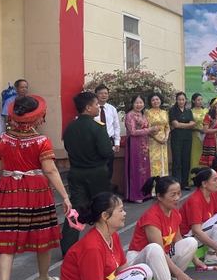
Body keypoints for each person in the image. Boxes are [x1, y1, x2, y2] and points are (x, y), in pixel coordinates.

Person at [0, 95, 70, 280]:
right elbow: (50, 170)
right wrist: (65, 196)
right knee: (42, 234)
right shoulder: (41, 141)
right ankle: (43, 277)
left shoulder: (3, 139)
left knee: (7, 244)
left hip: (7, 188)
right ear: (36, 118)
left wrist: (9, 179)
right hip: (35, 188)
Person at [126, 176, 197, 280]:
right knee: (154, 248)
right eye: (173, 195)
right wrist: (179, 272)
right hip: (138, 261)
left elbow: (179, 240)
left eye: (179, 193)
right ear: (159, 196)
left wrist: (196, 261)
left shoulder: (175, 212)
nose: (177, 198)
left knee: (191, 242)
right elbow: (157, 249)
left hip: (159, 256)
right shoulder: (152, 217)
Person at [62, 92, 114, 256]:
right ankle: (106, 242)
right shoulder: (97, 126)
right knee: (105, 208)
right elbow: (106, 151)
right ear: (88, 107)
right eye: (96, 104)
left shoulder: (70, 127)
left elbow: (68, 148)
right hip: (97, 172)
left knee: (75, 209)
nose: (98, 107)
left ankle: (68, 247)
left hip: (76, 172)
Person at [181, 167, 217, 266]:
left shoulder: (212, 195)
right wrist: (216, 247)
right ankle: (213, 254)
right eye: (215, 180)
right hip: (187, 238)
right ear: (204, 184)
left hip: (197, 234)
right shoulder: (195, 201)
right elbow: (196, 230)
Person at [124, 94, 160, 203]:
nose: (139, 105)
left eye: (141, 103)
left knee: (144, 169)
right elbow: (133, 132)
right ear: (132, 104)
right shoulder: (130, 115)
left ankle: (145, 193)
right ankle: (135, 195)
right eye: (136, 103)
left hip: (144, 144)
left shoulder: (143, 114)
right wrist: (150, 129)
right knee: (135, 169)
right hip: (134, 145)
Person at [168, 92, 195, 190]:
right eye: (179, 99)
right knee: (176, 161)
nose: (181, 101)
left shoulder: (188, 111)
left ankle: (185, 182)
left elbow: (193, 123)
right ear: (176, 100)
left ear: (185, 100)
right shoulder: (172, 111)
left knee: (186, 161)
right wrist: (187, 125)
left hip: (188, 138)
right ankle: (176, 183)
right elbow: (176, 124)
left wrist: (181, 125)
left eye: (183, 100)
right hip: (176, 138)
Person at [95, 85, 121, 180]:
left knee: (109, 166)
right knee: (97, 165)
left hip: (109, 141)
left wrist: (117, 142)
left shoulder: (112, 109)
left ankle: (107, 187)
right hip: (96, 141)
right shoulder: (92, 108)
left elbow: (116, 127)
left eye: (106, 93)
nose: (103, 95)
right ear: (96, 95)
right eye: (101, 93)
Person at [145, 93, 169, 177]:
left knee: (163, 160)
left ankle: (164, 184)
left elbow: (167, 127)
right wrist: (158, 139)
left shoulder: (164, 112)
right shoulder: (148, 113)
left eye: (157, 99)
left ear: (161, 100)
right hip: (153, 141)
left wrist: (166, 137)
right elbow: (147, 129)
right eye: (153, 100)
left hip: (164, 141)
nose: (155, 101)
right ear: (150, 102)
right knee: (154, 162)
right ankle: (154, 186)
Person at [189, 93, 207, 185]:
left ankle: (205, 177)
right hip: (195, 136)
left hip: (205, 137)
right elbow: (190, 126)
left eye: (201, 99)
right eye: (198, 100)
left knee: (204, 156)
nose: (200, 101)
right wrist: (198, 129)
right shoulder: (190, 112)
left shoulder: (206, 111)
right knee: (195, 156)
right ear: (193, 101)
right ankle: (193, 178)